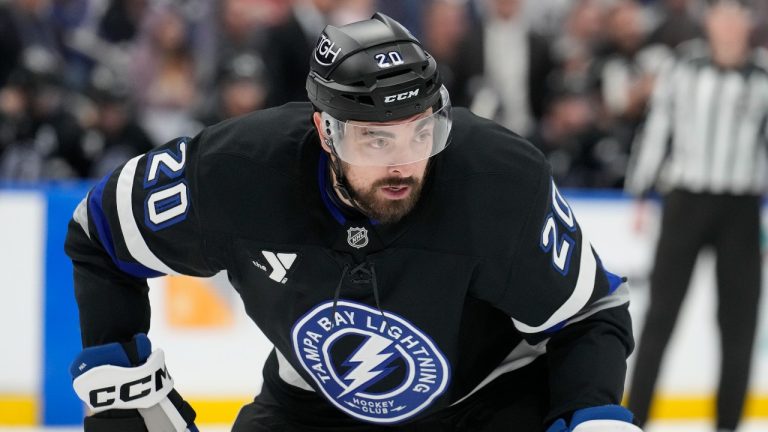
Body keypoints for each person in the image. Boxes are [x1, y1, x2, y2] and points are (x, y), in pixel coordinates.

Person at [65, 13, 640, 432]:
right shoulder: (239, 169)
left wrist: (591, 412)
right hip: (313, 405)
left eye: (420, 133)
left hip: (485, 402)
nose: (401, 163)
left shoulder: (495, 179)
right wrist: (119, 383)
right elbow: (98, 234)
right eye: (374, 139)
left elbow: (590, 312)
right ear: (324, 132)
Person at [624, 2, 768, 431]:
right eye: (719, 14)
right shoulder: (683, 67)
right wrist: (639, 193)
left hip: (741, 207)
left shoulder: (762, 76)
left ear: (748, 22)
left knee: (739, 324)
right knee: (660, 318)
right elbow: (656, 130)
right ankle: (636, 419)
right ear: (708, 20)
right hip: (686, 201)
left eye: (735, 15)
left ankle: (728, 424)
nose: (727, 25)